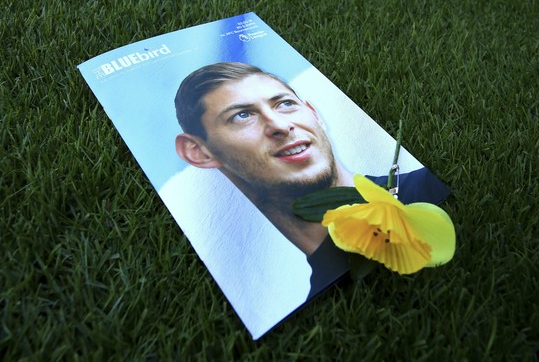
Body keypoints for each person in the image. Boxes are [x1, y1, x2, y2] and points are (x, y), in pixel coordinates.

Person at [174, 62, 449, 298]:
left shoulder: (425, 187)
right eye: (242, 115)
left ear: (313, 113)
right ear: (198, 152)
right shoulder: (318, 298)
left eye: (285, 104)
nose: (280, 126)